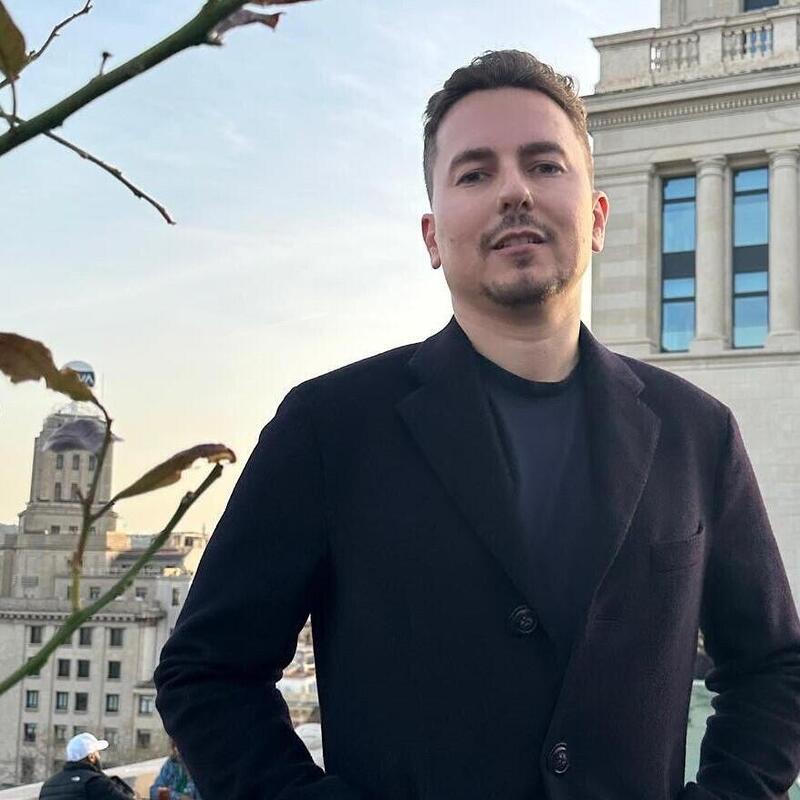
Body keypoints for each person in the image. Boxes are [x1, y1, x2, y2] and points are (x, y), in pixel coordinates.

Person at [154, 50, 800, 799]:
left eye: (544, 165)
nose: (514, 191)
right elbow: (207, 673)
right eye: (475, 173)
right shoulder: (328, 428)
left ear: (596, 218)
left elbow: (773, 668)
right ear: (432, 237)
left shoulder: (698, 433)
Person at [39, 732, 134, 800]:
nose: (99, 756)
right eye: (97, 753)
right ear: (91, 757)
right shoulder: (95, 782)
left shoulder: (48, 786)